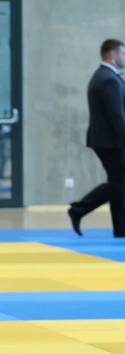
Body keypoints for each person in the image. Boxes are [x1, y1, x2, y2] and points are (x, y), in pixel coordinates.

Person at [68, 39, 125, 238]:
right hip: (111, 141)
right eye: (123, 54)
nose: (124, 58)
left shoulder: (106, 76)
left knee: (119, 182)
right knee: (118, 183)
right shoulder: (108, 79)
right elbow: (116, 115)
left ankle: (120, 228)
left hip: (108, 140)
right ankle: (78, 209)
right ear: (113, 54)